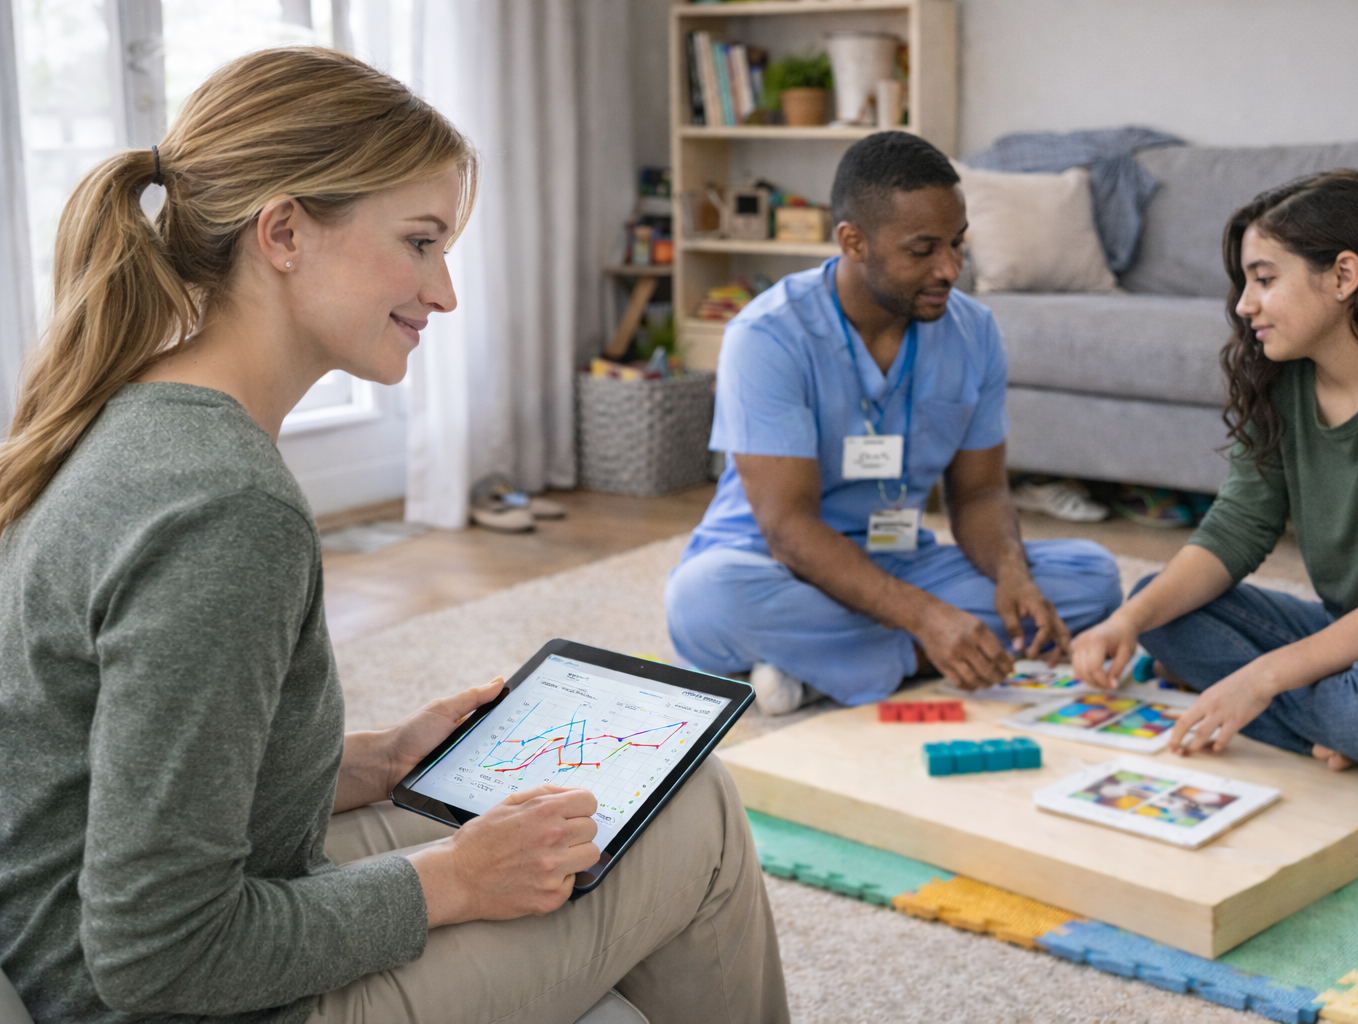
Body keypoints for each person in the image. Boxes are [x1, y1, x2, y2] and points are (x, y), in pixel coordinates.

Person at [0, 48, 787, 1024]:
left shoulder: (126, 414)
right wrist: (451, 880)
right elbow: (157, 953)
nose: (445, 291)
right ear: (283, 231)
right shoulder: (220, 507)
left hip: (75, 945)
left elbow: (126, 775)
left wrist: (367, 761)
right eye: (420, 241)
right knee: (694, 816)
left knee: (636, 799)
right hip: (163, 1000)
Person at [1071, 170, 1358, 787]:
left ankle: (1348, 726)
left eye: (1264, 279)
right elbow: (1236, 528)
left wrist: (1261, 678)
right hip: (1354, 648)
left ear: (1343, 276)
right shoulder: (1283, 383)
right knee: (1160, 606)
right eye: (1245, 283)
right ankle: (1339, 727)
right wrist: (1125, 623)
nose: (1243, 304)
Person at [665, 132, 1122, 715]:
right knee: (704, 600)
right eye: (923, 250)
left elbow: (980, 493)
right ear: (853, 242)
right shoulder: (767, 336)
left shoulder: (975, 333)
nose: (950, 269)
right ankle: (913, 657)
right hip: (776, 564)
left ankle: (819, 667)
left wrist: (1012, 575)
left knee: (1091, 578)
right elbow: (788, 530)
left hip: (900, 557)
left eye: (957, 244)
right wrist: (928, 618)